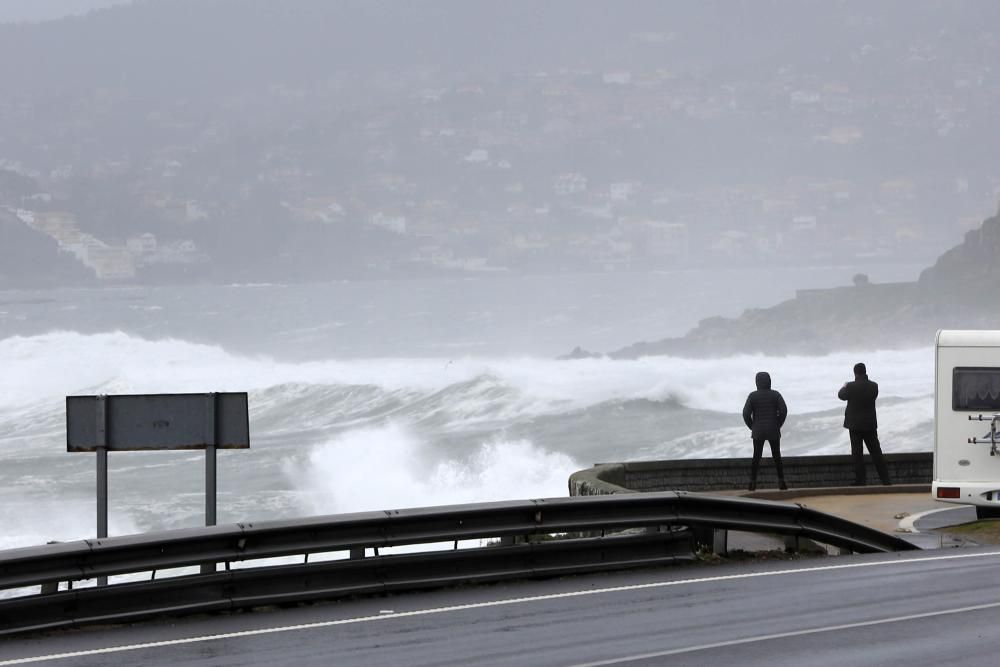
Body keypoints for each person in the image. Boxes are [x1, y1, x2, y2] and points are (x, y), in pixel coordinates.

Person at [838, 362, 891, 486]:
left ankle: (861, 481)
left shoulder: (850, 386)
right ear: (865, 372)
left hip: (854, 426)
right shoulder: (874, 386)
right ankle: (886, 480)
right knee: (876, 453)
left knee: (857, 454)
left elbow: (841, 395)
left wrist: (844, 385)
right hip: (869, 425)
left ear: (855, 373)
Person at [742, 371, 788, 491]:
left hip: (758, 430)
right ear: (769, 381)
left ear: (757, 382)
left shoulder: (752, 396)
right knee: (777, 456)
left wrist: (752, 426)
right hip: (773, 429)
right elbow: (784, 410)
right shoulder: (776, 395)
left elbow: (745, 414)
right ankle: (781, 482)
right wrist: (778, 424)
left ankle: (752, 483)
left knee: (756, 457)